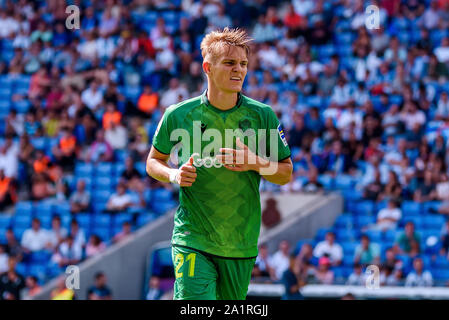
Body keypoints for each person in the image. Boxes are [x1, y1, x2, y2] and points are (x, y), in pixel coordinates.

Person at [146, 28, 293, 300]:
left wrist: (255, 163)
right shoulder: (178, 115)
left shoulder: (263, 116)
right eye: (229, 63)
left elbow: (285, 174)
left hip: (240, 243)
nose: (239, 70)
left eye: (243, 64)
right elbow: (154, 161)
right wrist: (174, 174)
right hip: (193, 238)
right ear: (208, 67)